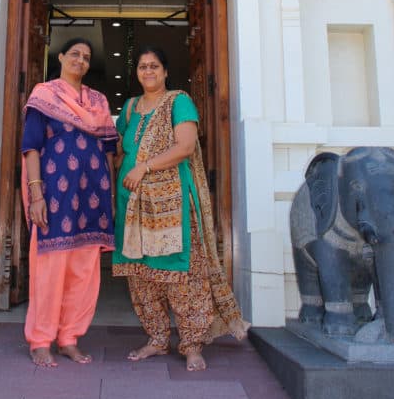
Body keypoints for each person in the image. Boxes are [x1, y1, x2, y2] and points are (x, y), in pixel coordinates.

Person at [113, 46, 248, 371]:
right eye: (143, 67)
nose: (148, 72)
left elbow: (185, 147)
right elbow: (119, 149)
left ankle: (192, 344)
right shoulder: (130, 108)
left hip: (173, 207)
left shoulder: (179, 101)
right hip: (133, 205)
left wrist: (143, 167)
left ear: (165, 71)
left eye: (154, 66)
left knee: (183, 275)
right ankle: (157, 340)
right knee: (141, 276)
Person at [22, 38, 117, 367]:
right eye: (74, 54)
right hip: (56, 195)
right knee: (50, 268)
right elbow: (31, 146)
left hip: (93, 195)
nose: (80, 60)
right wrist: (36, 194)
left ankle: (69, 337)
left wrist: (111, 200)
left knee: (84, 271)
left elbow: (108, 153)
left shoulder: (98, 101)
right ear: (61, 57)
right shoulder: (44, 95)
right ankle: (41, 339)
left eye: (86, 57)